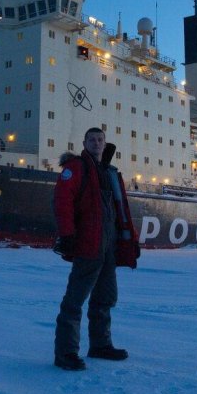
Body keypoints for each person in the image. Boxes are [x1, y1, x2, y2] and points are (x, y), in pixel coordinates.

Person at [52, 127, 140, 371]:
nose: (96, 143)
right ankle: (66, 352)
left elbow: (120, 212)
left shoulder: (109, 172)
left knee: (105, 298)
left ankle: (100, 345)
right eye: (92, 139)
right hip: (88, 245)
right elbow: (62, 202)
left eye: (100, 139)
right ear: (84, 142)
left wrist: (130, 241)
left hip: (108, 247)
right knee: (74, 300)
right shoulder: (76, 168)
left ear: (105, 143)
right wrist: (67, 235)